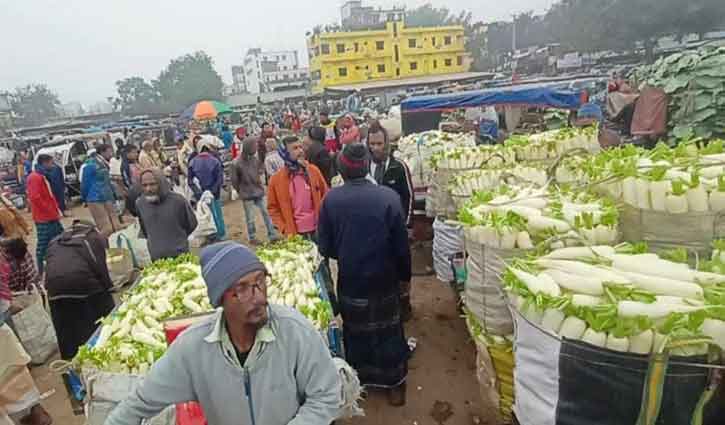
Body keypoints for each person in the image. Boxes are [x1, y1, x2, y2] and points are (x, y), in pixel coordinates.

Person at [105, 241, 340, 425]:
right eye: (241, 289)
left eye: (260, 281)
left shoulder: (295, 332)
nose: (258, 295)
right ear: (220, 299)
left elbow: (326, 395)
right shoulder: (193, 349)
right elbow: (139, 404)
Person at [317, 144, 412, 406]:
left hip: (352, 278)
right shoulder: (388, 197)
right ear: (366, 166)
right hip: (385, 278)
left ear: (342, 169)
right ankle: (394, 384)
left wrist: (347, 253)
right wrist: (405, 276)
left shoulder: (331, 200)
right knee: (389, 330)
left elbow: (325, 247)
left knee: (357, 331)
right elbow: (401, 247)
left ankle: (362, 380)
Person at [45, 220, 115, 360]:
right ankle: (106, 349)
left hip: (54, 290)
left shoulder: (55, 241)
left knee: (66, 330)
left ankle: (70, 364)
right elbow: (99, 266)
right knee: (104, 318)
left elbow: (48, 268)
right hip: (82, 283)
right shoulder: (93, 237)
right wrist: (109, 287)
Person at [267, 136, 329, 238]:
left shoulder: (313, 171)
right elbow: (272, 208)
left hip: (318, 231)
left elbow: (326, 195)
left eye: (301, 147)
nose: (300, 151)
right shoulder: (276, 180)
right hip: (294, 234)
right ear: (285, 153)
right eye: (295, 148)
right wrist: (284, 228)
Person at [135, 169, 197, 261]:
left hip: (180, 255)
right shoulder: (140, 204)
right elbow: (145, 229)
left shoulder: (178, 201)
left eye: (153, 184)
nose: (148, 189)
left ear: (161, 183)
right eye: (144, 185)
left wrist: (177, 240)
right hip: (157, 258)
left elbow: (191, 224)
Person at [231, 138, 278, 244]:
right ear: (248, 147)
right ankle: (252, 237)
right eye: (254, 146)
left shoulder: (254, 159)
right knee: (250, 217)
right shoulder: (236, 163)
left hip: (258, 191)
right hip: (247, 193)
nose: (255, 148)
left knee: (266, 213)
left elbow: (260, 170)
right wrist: (241, 190)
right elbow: (234, 181)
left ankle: (272, 235)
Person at [26, 154, 64, 274]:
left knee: (61, 240)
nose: (52, 166)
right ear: (44, 163)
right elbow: (35, 197)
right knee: (42, 246)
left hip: (51, 216)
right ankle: (41, 271)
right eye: (51, 163)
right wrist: (49, 210)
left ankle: (60, 264)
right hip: (44, 218)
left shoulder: (40, 176)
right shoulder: (35, 177)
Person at [188, 139, 226, 240]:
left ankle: (210, 236)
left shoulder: (193, 162)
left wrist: (199, 193)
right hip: (214, 193)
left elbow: (190, 181)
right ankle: (221, 234)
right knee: (217, 213)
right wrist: (212, 191)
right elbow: (219, 179)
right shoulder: (215, 161)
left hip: (201, 194)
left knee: (204, 214)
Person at [81, 144, 121, 238]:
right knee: (106, 227)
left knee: (115, 225)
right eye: (109, 151)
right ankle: (107, 248)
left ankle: (116, 248)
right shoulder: (90, 164)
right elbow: (85, 184)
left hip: (106, 195)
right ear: (102, 152)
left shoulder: (103, 162)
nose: (111, 154)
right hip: (95, 197)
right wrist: (85, 198)